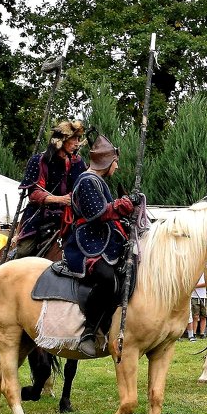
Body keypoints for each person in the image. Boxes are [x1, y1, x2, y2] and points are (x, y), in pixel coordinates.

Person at [62, 135, 135, 357]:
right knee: (106, 277)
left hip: (104, 239)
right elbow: (97, 213)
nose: (117, 166)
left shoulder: (98, 181)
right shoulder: (86, 180)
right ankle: (89, 330)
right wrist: (121, 206)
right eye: (115, 162)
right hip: (88, 242)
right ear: (107, 161)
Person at [15, 120, 86, 258]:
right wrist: (59, 199)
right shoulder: (39, 160)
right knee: (24, 251)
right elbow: (34, 193)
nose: (77, 143)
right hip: (40, 215)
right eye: (74, 138)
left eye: (79, 139)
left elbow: (81, 188)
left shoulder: (78, 162)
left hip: (69, 216)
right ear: (62, 140)